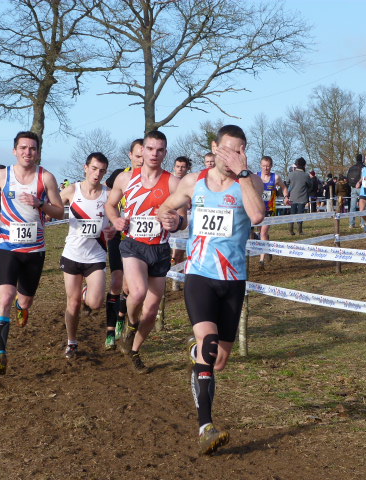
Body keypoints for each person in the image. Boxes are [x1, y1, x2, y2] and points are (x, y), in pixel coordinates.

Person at [157, 124, 265, 455]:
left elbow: (258, 215)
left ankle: (197, 354)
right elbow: (166, 208)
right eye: (229, 149)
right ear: (215, 147)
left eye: (240, 149)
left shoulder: (249, 181)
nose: (234, 155)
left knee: (218, 361)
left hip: (233, 281)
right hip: (200, 275)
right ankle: (206, 426)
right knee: (209, 345)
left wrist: (244, 174)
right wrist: (173, 221)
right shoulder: (194, 182)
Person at [0, 131, 64, 374]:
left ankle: (23, 307)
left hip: (35, 250)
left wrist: (40, 204)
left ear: (38, 152)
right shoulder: (3, 175)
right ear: (15, 150)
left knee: (25, 299)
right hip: (7, 247)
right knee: (4, 297)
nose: (27, 152)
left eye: (32, 148)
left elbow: (60, 212)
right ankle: (1, 351)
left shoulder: (47, 178)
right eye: (23, 148)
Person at [105, 131, 180, 373]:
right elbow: (110, 204)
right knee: (137, 292)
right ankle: (130, 323)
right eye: (150, 149)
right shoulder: (126, 180)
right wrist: (115, 219)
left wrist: (176, 223)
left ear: (165, 153)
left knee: (152, 307)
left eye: (160, 150)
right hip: (134, 244)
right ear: (143, 150)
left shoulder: (173, 182)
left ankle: (135, 349)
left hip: (159, 247)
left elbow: (184, 219)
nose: (154, 154)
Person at [59, 153, 115, 357]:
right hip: (73, 254)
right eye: (94, 168)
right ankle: (72, 342)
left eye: (101, 170)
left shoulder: (109, 194)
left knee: (96, 302)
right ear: (85, 168)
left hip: (96, 256)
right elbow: (54, 206)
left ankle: (86, 293)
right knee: (72, 303)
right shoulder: (72, 190)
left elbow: (118, 218)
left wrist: (114, 230)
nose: (97, 174)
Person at [104, 139, 144, 348]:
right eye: (137, 156)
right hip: (119, 236)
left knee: (130, 287)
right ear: (130, 155)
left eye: (144, 156)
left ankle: (121, 315)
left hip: (138, 240)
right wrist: (114, 220)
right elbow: (109, 194)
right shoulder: (121, 175)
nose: (141, 160)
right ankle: (111, 331)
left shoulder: (152, 178)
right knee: (117, 283)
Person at [257, 155, 288, 268]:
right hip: (257, 209)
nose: (266, 168)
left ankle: (261, 260)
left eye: (268, 166)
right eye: (264, 166)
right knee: (261, 233)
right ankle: (267, 250)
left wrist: (285, 197)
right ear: (261, 165)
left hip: (269, 209)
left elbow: (284, 187)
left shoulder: (276, 178)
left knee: (263, 233)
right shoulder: (256, 176)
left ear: (271, 166)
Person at [170, 156, 192, 290]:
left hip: (189, 221)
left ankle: (182, 277)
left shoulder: (191, 182)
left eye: (183, 167)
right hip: (174, 221)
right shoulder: (170, 181)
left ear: (187, 168)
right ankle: (175, 278)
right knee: (175, 253)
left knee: (184, 252)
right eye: (177, 166)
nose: (180, 169)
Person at [286, 157, 311, 235]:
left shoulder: (291, 174)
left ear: (296, 165)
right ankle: (300, 230)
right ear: (304, 165)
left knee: (292, 213)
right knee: (300, 213)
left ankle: (291, 230)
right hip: (302, 197)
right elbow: (310, 185)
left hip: (293, 197)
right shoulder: (306, 175)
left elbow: (287, 183)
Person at [346, 154, 363, 228]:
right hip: (361, 187)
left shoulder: (351, 168)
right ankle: (363, 222)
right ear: (362, 159)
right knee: (362, 206)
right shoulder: (363, 167)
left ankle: (351, 223)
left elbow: (347, 178)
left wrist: (351, 184)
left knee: (352, 206)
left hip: (353, 187)